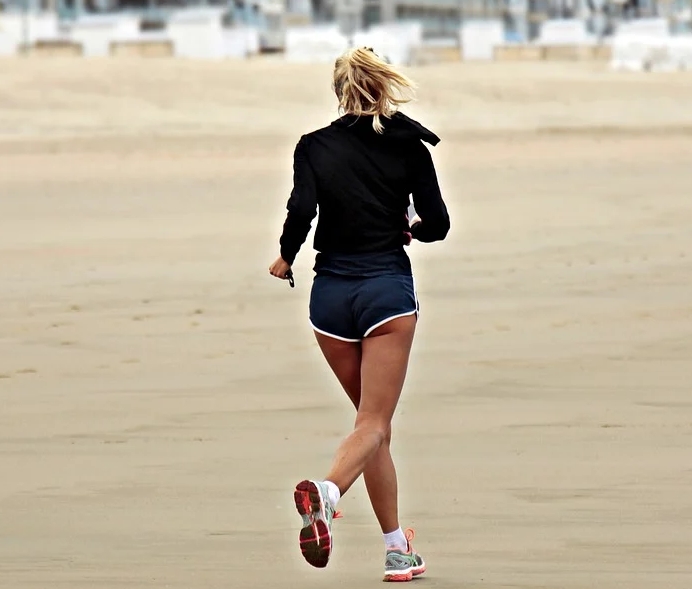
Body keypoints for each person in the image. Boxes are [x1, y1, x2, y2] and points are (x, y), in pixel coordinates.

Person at [268, 47, 450, 582]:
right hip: (385, 295)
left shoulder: (313, 145)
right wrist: (411, 228)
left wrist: (286, 255)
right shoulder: (409, 145)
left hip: (329, 299)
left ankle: (397, 550)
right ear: (384, 85)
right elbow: (437, 223)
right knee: (373, 423)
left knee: (372, 428)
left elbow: (301, 210)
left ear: (339, 91)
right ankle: (326, 494)